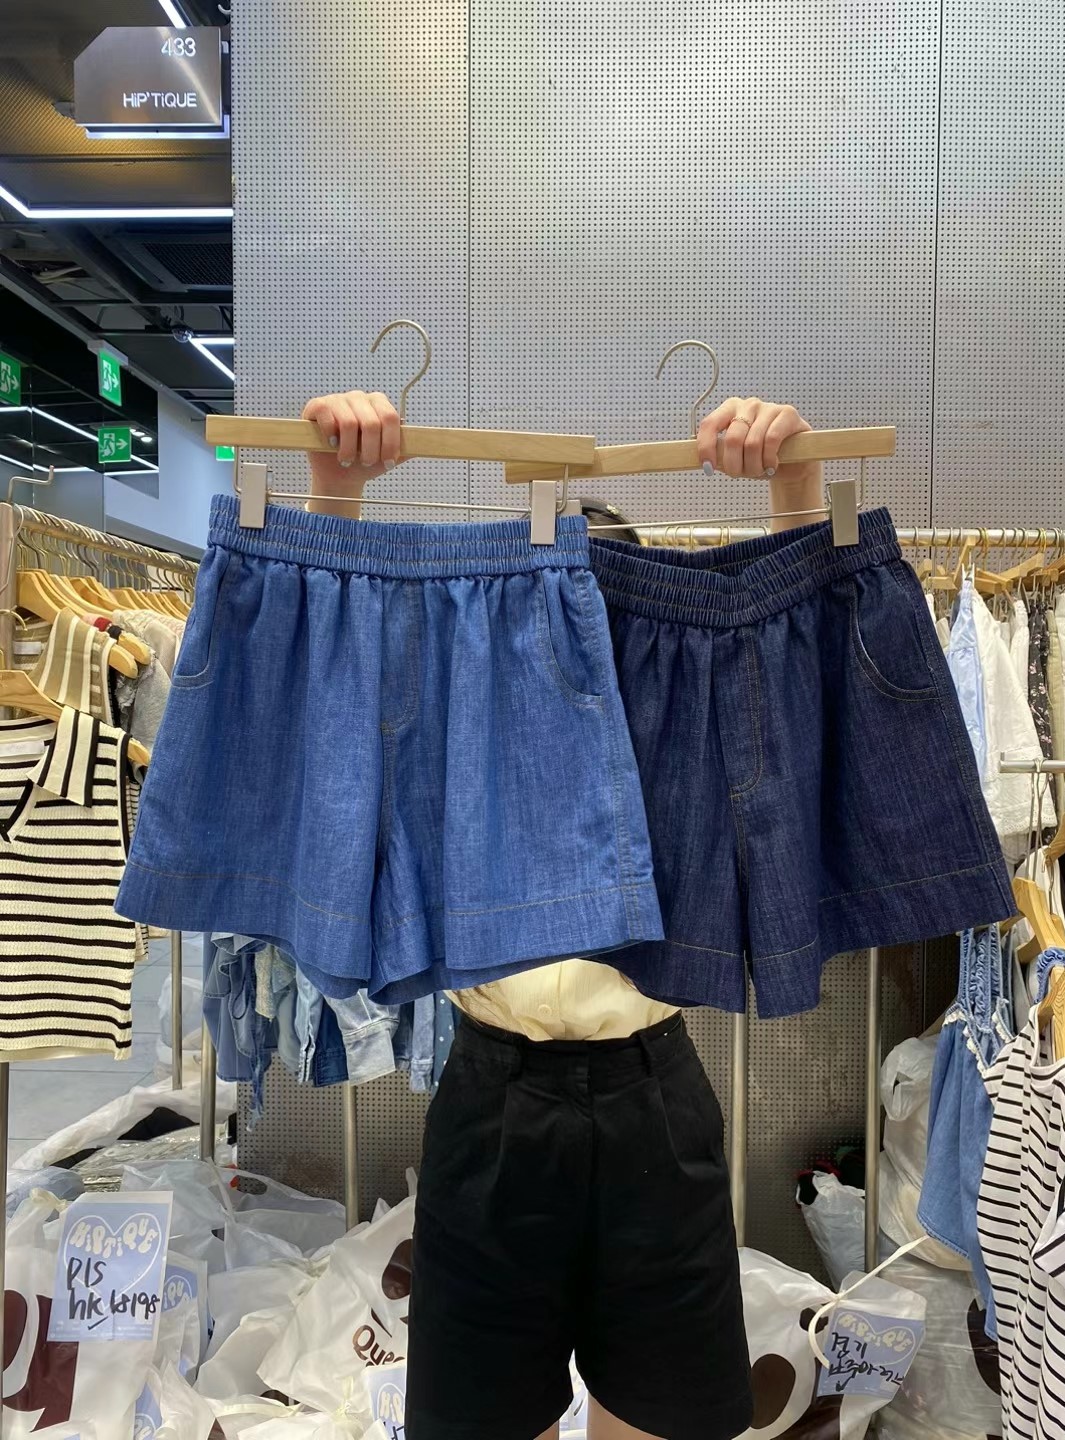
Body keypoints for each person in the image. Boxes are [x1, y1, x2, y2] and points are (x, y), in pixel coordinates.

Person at [299, 390, 824, 1440]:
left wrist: (796, 484)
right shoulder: (464, 718)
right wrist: (335, 490)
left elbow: (792, 672)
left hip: (653, 1094)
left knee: (671, 1418)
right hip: (494, 1097)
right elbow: (340, 692)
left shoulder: (685, 725)